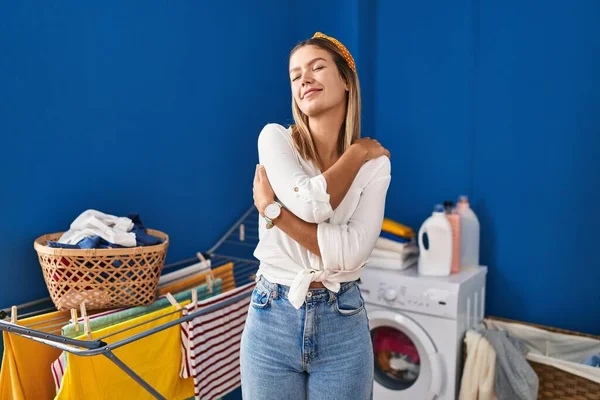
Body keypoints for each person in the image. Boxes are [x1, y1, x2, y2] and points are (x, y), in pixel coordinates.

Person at [240, 32, 392, 400]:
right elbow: (310, 204)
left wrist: (272, 211)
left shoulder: (377, 166)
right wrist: (355, 154)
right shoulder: (276, 139)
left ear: (345, 80)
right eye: (295, 75)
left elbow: (351, 254)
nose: (304, 79)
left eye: (317, 67)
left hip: (343, 320)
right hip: (271, 315)